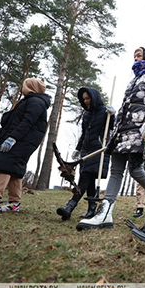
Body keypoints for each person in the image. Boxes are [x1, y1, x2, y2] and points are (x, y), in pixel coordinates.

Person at [76, 47, 145, 230]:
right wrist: (116, 117)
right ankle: (105, 213)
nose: (135, 58)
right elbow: (128, 106)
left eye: (139, 55)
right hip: (122, 130)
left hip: (139, 129)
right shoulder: (132, 81)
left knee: (136, 170)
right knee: (115, 171)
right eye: (134, 56)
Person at [0, 78, 50, 212]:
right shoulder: (28, 101)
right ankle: (14, 203)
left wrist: (13, 138)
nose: (22, 88)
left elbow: (27, 122)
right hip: (20, 139)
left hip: (23, 140)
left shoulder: (36, 102)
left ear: (31, 87)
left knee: (3, 163)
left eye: (24, 85)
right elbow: (14, 125)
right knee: (14, 169)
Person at [56, 87, 114, 221]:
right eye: (84, 99)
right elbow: (84, 133)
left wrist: (112, 115)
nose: (86, 101)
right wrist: (78, 148)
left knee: (85, 177)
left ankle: (70, 207)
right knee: (89, 180)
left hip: (99, 149)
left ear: (94, 97)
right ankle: (91, 209)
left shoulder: (104, 111)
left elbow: (111, 127)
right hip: (86, 150)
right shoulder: (86, 114)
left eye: (88, 98)